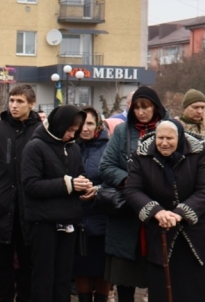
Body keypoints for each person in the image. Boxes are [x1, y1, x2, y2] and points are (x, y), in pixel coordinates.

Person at [124, 120, 205, 301]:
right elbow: (132, 190)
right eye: (160, 137)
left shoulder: (198, 151)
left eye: (169, 138)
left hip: (200, 231)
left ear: (179, 138)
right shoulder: (142, 155)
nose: (164, 142)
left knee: (202, 290)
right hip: (162, 231)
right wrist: (157, 212)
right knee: (165, 291)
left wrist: (180, 213)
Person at [99, 85, 169, 302]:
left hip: (159, 213)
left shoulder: (169, 130)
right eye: (137, 107)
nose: (141, 112)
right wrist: (130, 181)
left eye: (146, 107)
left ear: (155, 107)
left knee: (159, 274)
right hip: (127, 214)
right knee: (125, 276)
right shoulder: (121, 131)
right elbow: (106, 166)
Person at [0, 84, 42, 302]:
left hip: (29, 207)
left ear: (31, 104)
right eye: (12, 100)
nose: (14, 105)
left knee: (27, 262)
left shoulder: (40, 131)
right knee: (2, 262)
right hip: (1, 205)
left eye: (20, 101)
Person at [21, 105, 93, 302]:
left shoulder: (74, 148)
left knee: (63, 277)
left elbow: (80, 174)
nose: (71, 135)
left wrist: (85, 186)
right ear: (59, 125)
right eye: (69, 130)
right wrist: (68, 184)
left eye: (75, 131)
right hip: (43, 223)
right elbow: (30, 185)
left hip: (69, 220)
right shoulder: (34, 147)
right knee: (44, 277)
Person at [73, 107, 112, 302]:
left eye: (90, 123)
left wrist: (98, 190)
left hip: (101, 219)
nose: (85, 128)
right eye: (82, 124)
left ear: (98, 124)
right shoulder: (70, 146)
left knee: (102, 270)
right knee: (81, 269)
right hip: (77, 219)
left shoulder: (109, 147)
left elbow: (116, 180)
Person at [177, 89, 205, 160]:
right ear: (185, 108)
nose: (200, 111)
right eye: (195, 107)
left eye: (203, 107)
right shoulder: (174, 128)